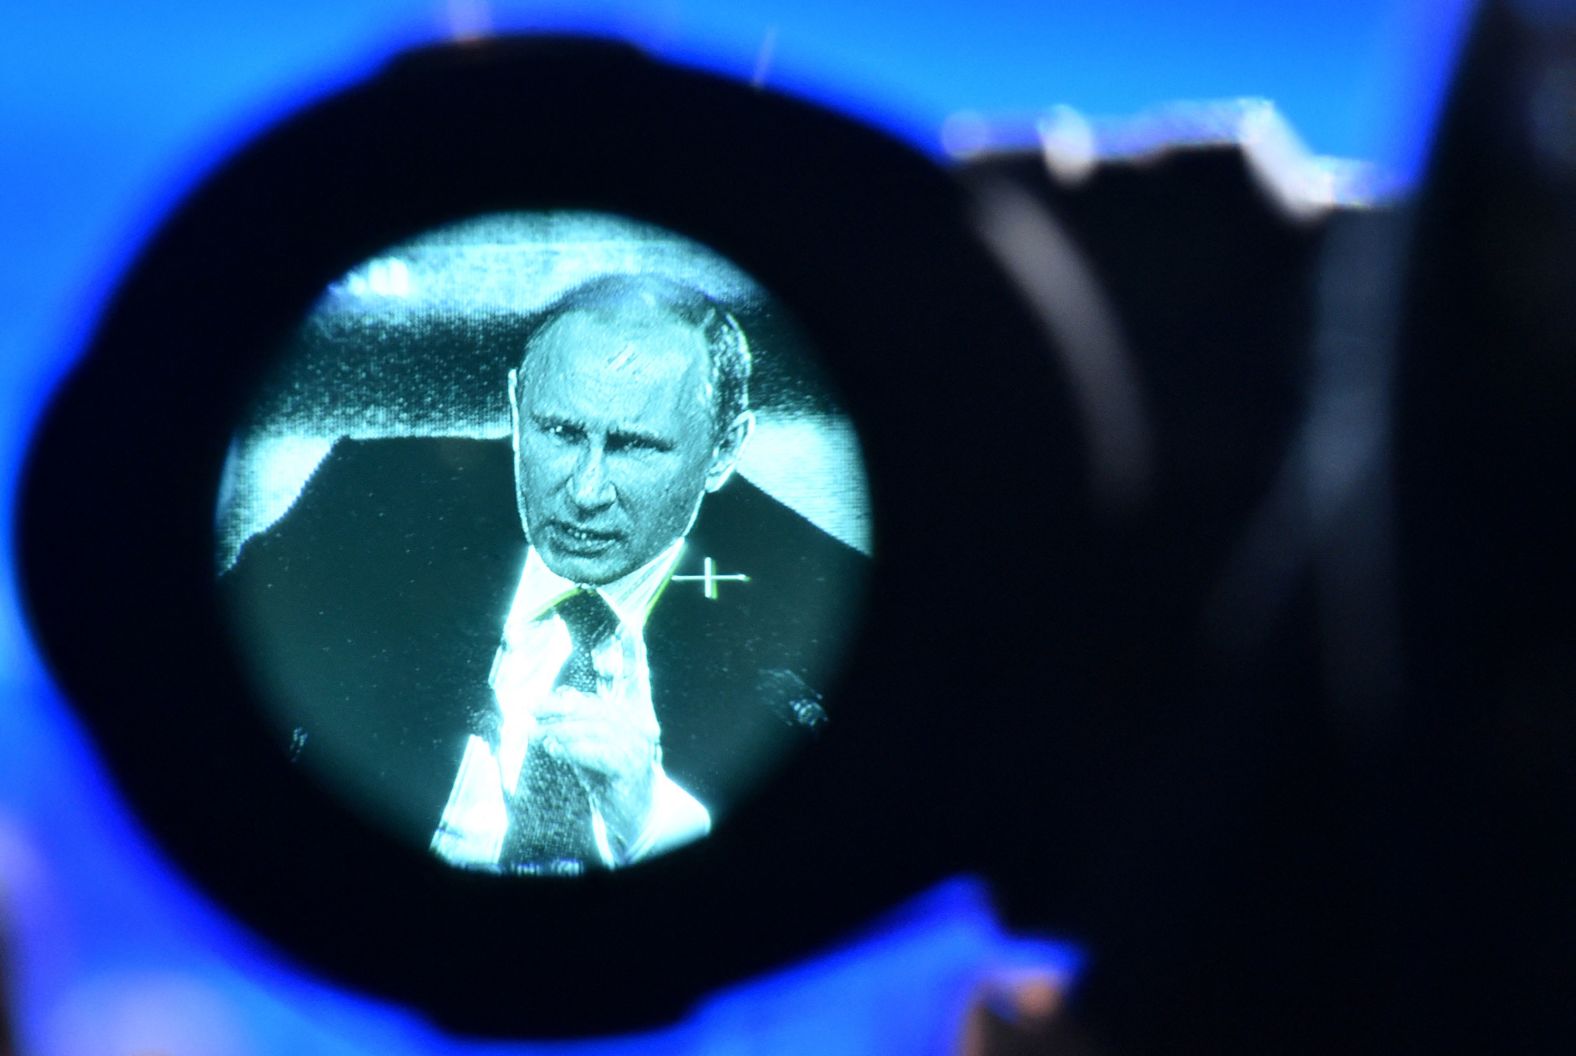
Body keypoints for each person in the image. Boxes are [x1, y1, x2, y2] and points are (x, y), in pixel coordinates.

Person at [223, 274, 867, 874]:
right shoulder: (368, 501)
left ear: (725, 450)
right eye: (559, 432)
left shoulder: (831, 605)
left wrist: (652, 818)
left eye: (634, 446)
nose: (585, 492)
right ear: (514, 406)